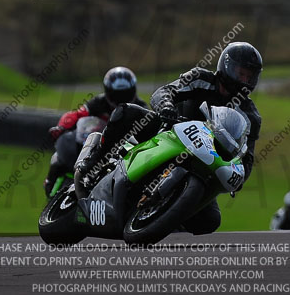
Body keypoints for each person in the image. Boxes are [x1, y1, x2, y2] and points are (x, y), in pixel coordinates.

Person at [75, 42, 263, 235]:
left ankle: (161, 218)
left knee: (210, 220)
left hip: (204, 161)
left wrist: (238, 176)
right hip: (167, 130)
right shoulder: (200, 78)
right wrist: (166, 106)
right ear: (226, 67)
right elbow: (163, 92)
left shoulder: (251, 116)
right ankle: (94, 162)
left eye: (250, 77)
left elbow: (246, 156)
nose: (245, 81)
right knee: (125, 112)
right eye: (241, 73)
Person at [43, 66, 146, 196]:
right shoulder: (99, 102)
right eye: (117, 94)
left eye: (125, 94)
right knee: (58, 156)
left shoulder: (140, 107)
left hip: (120, 151)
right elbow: (76, 115)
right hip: (94, 143)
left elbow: (149, 128)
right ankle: (49, 182)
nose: (121, 99)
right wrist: (62, 127)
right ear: (108, 91)